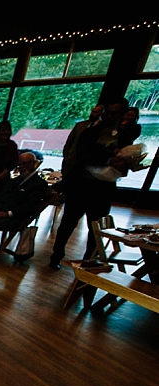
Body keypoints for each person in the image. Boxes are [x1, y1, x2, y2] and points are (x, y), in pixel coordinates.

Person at [49, 100, 129, 268]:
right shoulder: (90, 132)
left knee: (96, 228)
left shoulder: (123, 135)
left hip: (102, 189)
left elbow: (125, 159)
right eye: (109, 112)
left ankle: (89, 261)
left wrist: (125, 164)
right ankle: (56, 256)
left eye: (115, 113)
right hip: (81, 185)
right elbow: (83, 157)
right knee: (68, 223)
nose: (110, 116)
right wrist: (108, 159)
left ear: (121, 115)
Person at [0, 152, 50, 259]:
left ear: (33, 163)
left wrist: (8, 214)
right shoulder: (16, 180)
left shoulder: (39, 184)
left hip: (16, 217)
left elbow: (30, 206)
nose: (21, 167)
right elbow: (3, 195)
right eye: (19, 165)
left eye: (24, 164)